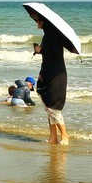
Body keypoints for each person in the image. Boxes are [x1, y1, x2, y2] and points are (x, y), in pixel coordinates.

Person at [30, 13, 69, 144]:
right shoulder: (48, 36)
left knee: (53, 107)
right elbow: (49, 56)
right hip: (49, 73)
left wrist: (40, 50)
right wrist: (41, 50)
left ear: (43, 22)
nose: (37, 23)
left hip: (55, 75)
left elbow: (53, 55)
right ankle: (53, 137)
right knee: (48, 107)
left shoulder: (52, 36)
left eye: (38, 21)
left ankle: (65, 136)